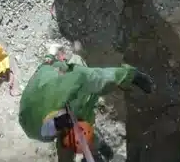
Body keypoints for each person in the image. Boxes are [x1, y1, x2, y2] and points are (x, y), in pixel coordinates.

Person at [18, 50, 153, 150]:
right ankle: (91, 145)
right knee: (82, 114)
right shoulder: (78, 78)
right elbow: (102, 77)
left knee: (66, 121)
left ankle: (84, 142)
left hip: (26, 116)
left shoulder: (45, 68)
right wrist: (132, 76)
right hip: (41, 124)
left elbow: (49, 60)